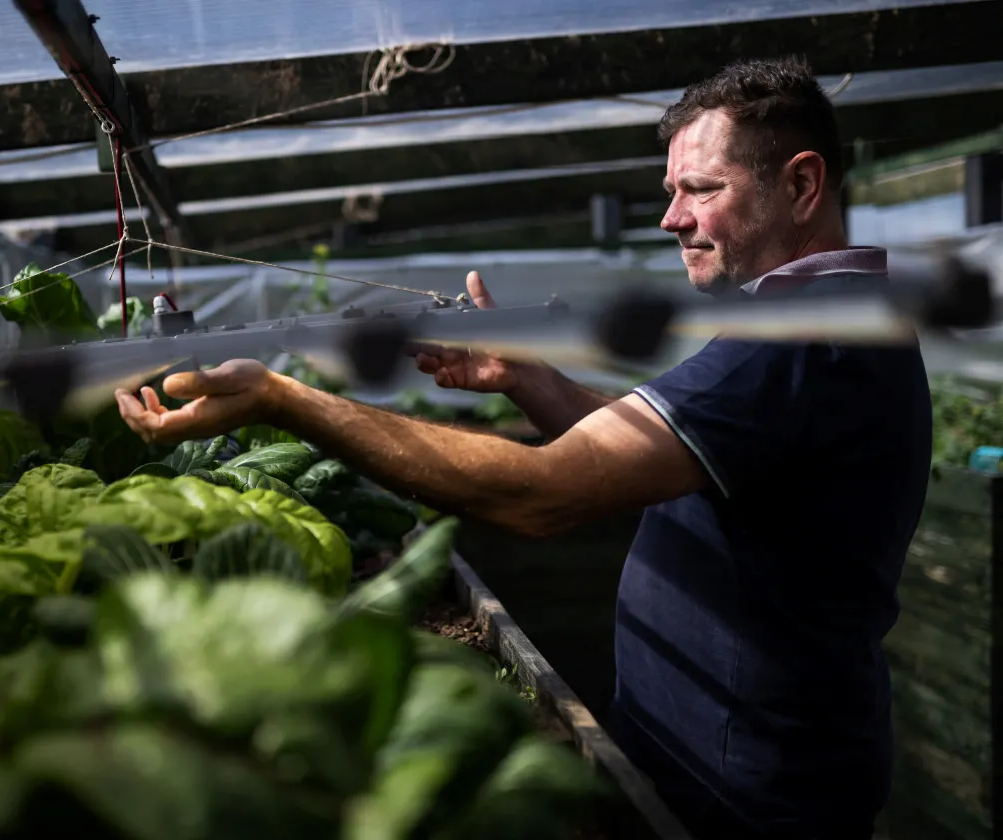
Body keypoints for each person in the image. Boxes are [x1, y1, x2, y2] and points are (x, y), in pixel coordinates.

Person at [116, 56, 932, 840]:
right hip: (739, 761)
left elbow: (542, 495)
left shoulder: (802, 338)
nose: (671, 218)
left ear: (800, 183)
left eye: (700, 190)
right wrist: (535, 385)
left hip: (747, 789)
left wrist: (284, 400)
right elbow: (689, 456)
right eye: (670, 191)